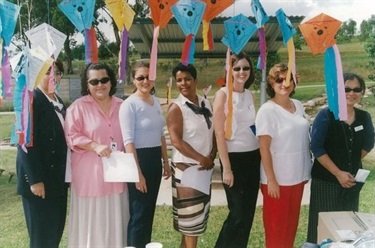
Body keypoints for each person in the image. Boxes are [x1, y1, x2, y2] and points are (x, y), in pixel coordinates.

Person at [64, 63, 129, 247]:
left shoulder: (122, 106)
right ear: (87, 84)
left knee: (116, 219)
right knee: (93, 224)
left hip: (117, 176)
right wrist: (94, 145)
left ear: (111, 81)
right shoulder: (78, 107)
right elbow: (71, 136)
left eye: (104, 80)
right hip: (90, 178)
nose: (100, 85)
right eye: (94, 81)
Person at [306, 73, 375, 243]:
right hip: (326, 182)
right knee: (324, 231)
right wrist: (338, 172)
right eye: (346, 89)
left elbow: (369, 143)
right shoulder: (326, 115)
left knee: (348, 233)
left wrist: (349, 162)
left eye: (357, 89)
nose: (352, 93)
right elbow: (316, 147)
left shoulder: (364, 117)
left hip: (351, 183)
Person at [255, 63, 311, 248]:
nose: (284, 84)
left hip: (298, 177)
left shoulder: (298, 105)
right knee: (276, 229)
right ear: (271, 83)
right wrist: (271, 180)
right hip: (277, 181)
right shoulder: (267, 111)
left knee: (291, 226)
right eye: (279, 80)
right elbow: (264, 148)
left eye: (288, 79)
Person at [119, 60, 171, 248]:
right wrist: (137, 173)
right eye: (140, 77)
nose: (145, 81)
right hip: (138, 161)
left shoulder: (155, 102)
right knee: (139, 213)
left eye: (149, 77)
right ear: (133, 80)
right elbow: (128, 142)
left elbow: (160, 135)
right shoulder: (129, 105)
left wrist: (165, 162)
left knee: (148, 212)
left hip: (154, 161)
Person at [16, 60, 68, 248]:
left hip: (57, 181)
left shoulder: (58, 101)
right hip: (40, 183)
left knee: (54, 233)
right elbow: (24, 143)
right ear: (37, 75)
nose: (53, 76)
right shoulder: (31, 99)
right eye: (48, 72)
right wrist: (34, 179)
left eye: (57, 72)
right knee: (42, 239)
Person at [213, 52, 261, 248]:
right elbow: (218, 133)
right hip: (233, 159)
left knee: (247, 214)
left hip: (253, 157)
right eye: (237, 68)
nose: (242, 72)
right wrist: (227, 168)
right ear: (230, 71)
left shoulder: (249, 94)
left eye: (246, 68)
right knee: (237, 214)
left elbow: (252, 126)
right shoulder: (222, 94)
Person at [167, 63, 216, 248]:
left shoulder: (205, 103)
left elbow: (212, 132)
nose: (183, 83)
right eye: (179, 80)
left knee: (195, 220)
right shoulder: (176, 108)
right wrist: (201, 158)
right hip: (186, 170)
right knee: (191, 223)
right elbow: (177, 141)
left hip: (204, 169)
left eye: (187, 79)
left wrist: (212, 154)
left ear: (195, 80)